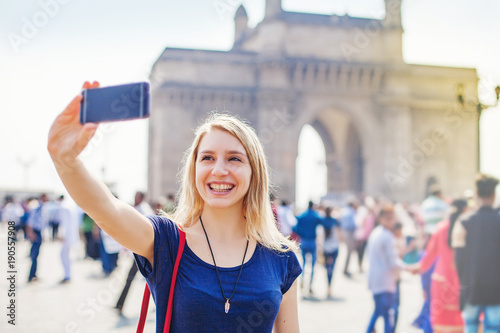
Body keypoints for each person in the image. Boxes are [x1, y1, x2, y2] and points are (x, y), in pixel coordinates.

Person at [47, 81, 302, 333]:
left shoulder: (281, 257)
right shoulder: (167, 241)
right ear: (193, 170)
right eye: (207, 158)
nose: (219, 170)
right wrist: (65, 159)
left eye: (234, 158)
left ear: (254, 172)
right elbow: (107, 210)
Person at [411, 199, 468, 333]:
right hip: (460, 282)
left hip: (441, 282)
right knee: (460, 324)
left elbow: (429, 256)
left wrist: (417, 268)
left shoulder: (441, 228)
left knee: (441, 325)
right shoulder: (468, 228)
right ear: (465, 210)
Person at [452, 174, 500, 333]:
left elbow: (459, 260)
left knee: (471, 327)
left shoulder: (464, 221)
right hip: (496, 291)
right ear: (494, 195)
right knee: (493, 328)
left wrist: (464, 285)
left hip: (471, 288)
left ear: (477, 194)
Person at [365, 204, 406, 333]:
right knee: (388, 314)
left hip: (376, 280)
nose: (391, 221)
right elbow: (393, 262)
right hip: (385, 282)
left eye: (392, 218)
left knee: (379, 311)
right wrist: (410, 268)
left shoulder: (375, 232)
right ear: (380, 219)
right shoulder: (387, 236)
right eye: (388, 218)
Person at [115, 191, 155, 314]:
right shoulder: (136, 208)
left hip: (145, 252)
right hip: (138, 252)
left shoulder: (145, 210)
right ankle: (120, 304)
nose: (134, 198)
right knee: (130, 278)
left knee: (153, 281)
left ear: (141, 198)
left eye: (137, 196)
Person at [294, 200, 321, 294]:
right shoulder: (315, 215)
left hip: (304, 241)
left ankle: (302, 280)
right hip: (312, 242)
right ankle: (310, 285)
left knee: (304, 263)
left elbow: (295, 228)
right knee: (313, 265)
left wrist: (301, 233)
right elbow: (323, 222)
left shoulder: (302, 216)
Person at [26, 193, 49, 282]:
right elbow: (30, 221)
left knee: (36, 255)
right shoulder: (36, 208)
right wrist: (30, 232)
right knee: (34, 255)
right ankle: (31, 275)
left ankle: (34, 274)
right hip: (35, 232)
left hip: (38, 232)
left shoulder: (42, 208)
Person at [321, 206, 340, 298]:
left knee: (327, 268)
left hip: (326, 248)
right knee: (331, 268)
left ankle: (328, 286)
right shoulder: (335, 221)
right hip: (334, 247)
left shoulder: (322, 221)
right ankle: (329, 287)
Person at [340, 198, 359, 278]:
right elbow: (353, 224)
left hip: (345, 232)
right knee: (349, 252)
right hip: (350, 233)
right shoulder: (351, 212)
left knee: (348, 252)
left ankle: (345, 268)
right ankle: (345, 269)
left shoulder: (344, 211)